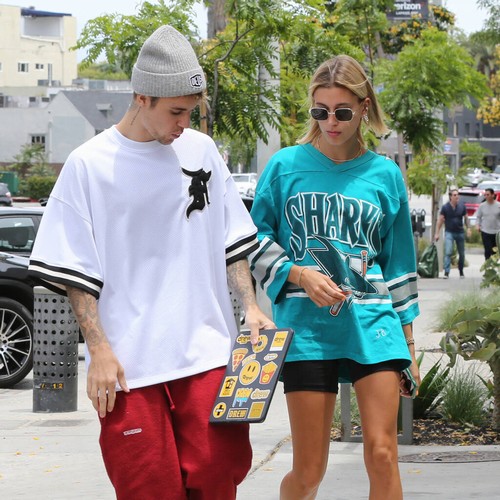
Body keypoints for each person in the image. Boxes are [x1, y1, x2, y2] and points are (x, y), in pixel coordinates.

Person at [28, 25, 274, 499]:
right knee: (147, 488)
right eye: (176, 111)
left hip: (206, 352)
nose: (184, 123)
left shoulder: (201, 151)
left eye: (191, 111)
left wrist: (251, 307)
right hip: (129, 368)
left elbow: (232, 240)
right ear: (141, 98)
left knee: (218, 476)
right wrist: (98, 349)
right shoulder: (88, 164)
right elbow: (76, 272)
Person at [249, 55, 420, 500]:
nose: (331, 122)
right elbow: (252, 240)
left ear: (364, 107)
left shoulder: (385, 175)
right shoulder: (285, 167)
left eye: (342, 112)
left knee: (383, 453)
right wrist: (298, 274)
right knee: (309, 471)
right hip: (307, 331)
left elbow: (399, 263)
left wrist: (409, 344)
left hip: (374, 326)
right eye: (320, 111)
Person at [434, 188, 471, 278]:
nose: (457, 196)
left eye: (457, 195)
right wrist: (437, 233)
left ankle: (461, 271)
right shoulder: (445, 207)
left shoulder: (462, 206)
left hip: (460, 232)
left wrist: (469, 228)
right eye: (454, 195)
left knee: (461, 253)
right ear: (450, 197)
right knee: (448, 251)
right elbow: (440, 220)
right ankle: (446, 272)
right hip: (449, 232)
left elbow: (466, 218)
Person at [475, 187, 500, 260]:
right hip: (485, 231)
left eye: (488, 194)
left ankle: (494, 265)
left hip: (496, 232)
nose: (486, 196)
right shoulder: (482, 206)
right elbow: (478, 217)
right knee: (488, 250)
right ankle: (487, 265)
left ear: (493, 195)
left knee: (495, 252)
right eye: (485, 195)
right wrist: (477, 225)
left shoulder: (498, 205)